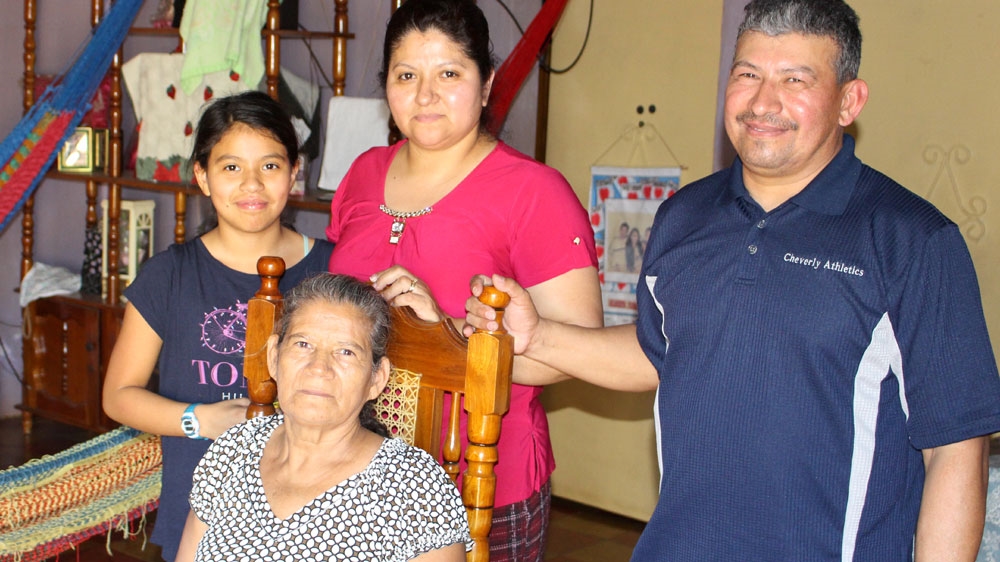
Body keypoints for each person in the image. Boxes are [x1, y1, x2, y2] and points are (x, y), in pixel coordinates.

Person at [466, 0, 1000, 559]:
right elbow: (661, 352)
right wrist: (538, 336)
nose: (763, 102)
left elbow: (956, 447)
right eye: (747, 74)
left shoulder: (913, 241)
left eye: (795, 79)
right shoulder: (683, 217)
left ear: (849, 101)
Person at [325, 0, 603, 559]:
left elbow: (576, 353)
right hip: (355, 470)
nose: (425, 95)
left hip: (481, 481)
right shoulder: (362, 174)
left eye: (449, 73)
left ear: (486, 84)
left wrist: (447, 334)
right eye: (407, 75)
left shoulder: (535, 192)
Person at [102, 90, 335, 561]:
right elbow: (118, 395)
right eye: (231, 167)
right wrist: (199, 420)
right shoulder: (170, 275)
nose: (252, 184)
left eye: (270, 166)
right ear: (202, 177)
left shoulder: (332, 269)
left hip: (314, 516)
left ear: (294, 173)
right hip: (198, 522)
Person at [175, 273, 470, 562]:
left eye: (345, 352)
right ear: (274, 359)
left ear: (377, 379)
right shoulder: (234, 450)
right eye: (303, 344)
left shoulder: (414, 489)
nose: (319, 367)